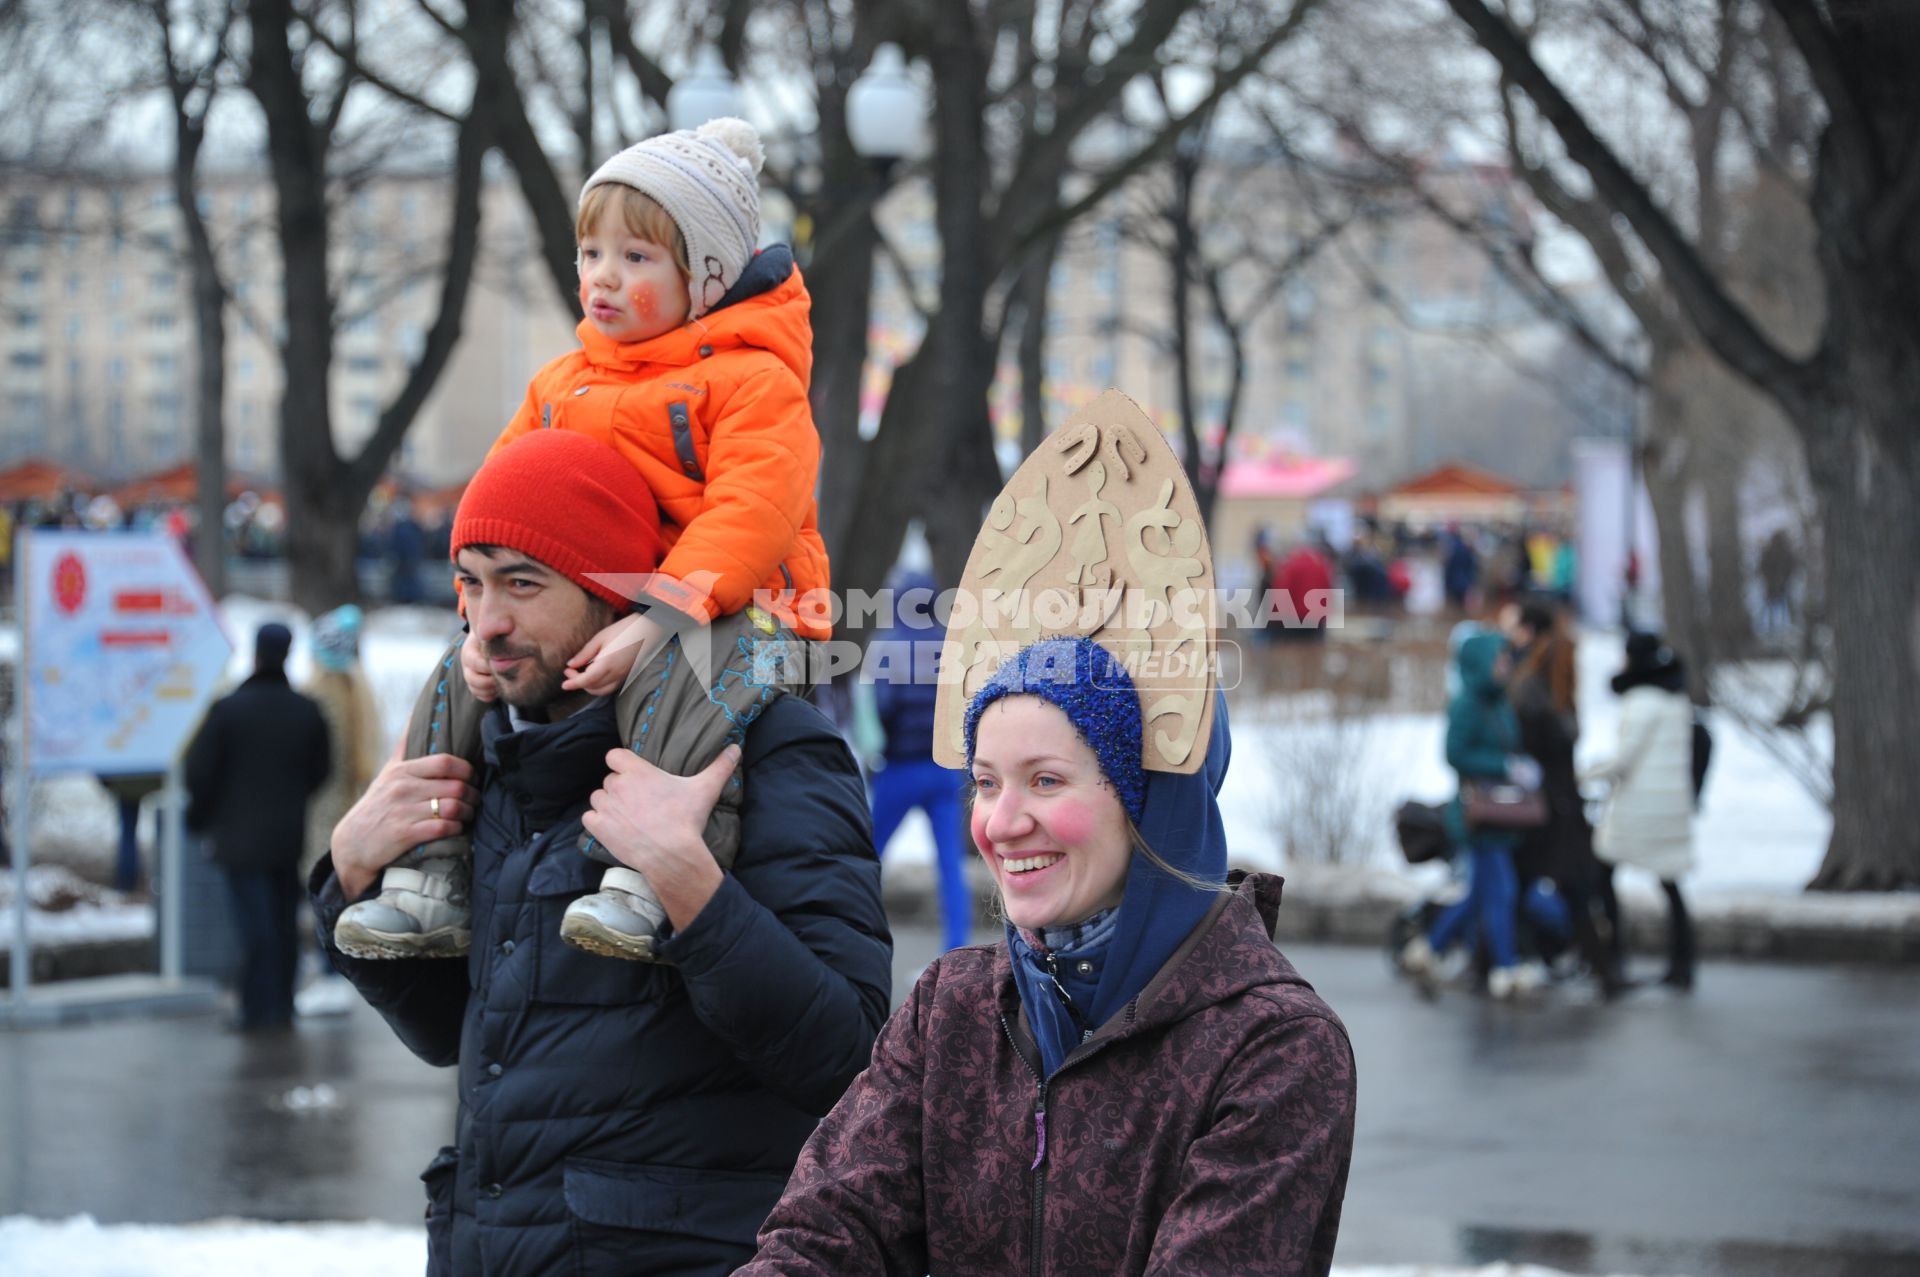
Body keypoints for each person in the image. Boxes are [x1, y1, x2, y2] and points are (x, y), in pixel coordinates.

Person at [309, 435, 891, 1276]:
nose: (487, 620)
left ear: (618, 598)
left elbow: (850, 1059)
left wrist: (689, 886)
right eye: (469, 582)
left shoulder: (767, 749)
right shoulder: (501, 760)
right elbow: (451, 1030)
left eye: (522, 581)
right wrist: (351, 877)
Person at [340, 115, 832, 962]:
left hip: (749, 606)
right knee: (462, 672)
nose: (604, 278)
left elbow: (753, 510)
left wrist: (660, 613)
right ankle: (424, 875)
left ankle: (644, 876)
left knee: (692, 668)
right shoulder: (563, 381)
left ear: (705, 276)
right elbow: (495, 502)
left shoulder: (754, 380)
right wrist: (477, 609)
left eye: (636, 258)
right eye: (591, 254)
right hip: (616, 598)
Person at [739, 637, 1357, 1275]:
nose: (1000, 823)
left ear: (1150, 799)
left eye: (1045, 780)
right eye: (985, 782)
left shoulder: (1273, 1048)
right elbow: (825, 1233)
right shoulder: (952, 1008)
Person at [185, 623, 332, 1032]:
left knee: (254, 925)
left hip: (237, 838)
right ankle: (282, 1005)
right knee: (284, 922)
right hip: (287, 836)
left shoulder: (228, 710)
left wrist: (200, 817)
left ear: (255, 654)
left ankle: (257, 1009)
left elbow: (201, 772)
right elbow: (321, 770)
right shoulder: (306, 710)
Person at [1398, 629, 1540, 999]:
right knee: (1502, 891)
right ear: (1481, 663)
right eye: (1499, 659)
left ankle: (1429, 948)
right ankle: (1505, 968)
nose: (1506, 665)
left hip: (1500, 813)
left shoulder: (1499, 702)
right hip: (1479, 815)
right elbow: (1455, 753)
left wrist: (1516, 764)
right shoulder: (1467, 704)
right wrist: (1504, 766)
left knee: (1480, 894)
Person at [1506, 600, 1624, 998]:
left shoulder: (1531, 681)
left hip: (1543, 804)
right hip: (1562, 802)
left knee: (1523, 883)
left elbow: (1530, 738)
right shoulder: (1556, 676)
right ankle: (1604, 968)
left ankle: (1510, 961)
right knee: (1574, 889)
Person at [866, 568, 973, 952]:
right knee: (951, 862)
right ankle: (958, 946)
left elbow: (882, 707)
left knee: (868, 857)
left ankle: (859, 935)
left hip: (899, 768)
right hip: (945, 770)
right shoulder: (950, 642)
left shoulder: (888, 644)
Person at [1582, 632, 1696, 991]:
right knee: (1670, 882)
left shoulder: (1641, 701)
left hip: (1640, 809)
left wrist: (1585, 773)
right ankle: (1682, 962)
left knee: (1603, 872)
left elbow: (1624, 760)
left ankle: (1613, 955)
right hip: (1670, 808)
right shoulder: (1676, 701)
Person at [297, 605, 386, 1017]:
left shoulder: (322, 696)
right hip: (349, 806)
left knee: (323, 893)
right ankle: (337, 975)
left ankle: (330, 975)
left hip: (323, 812)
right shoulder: (359, 692)